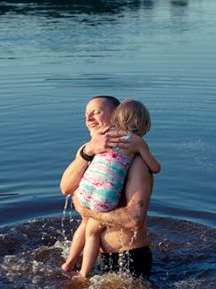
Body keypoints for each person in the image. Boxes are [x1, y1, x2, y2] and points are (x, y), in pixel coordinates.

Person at [60, 96, 158, 279]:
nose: (89, 119)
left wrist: (88, 212)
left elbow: (134, 219)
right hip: (98, 255)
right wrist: (87, 152)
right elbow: (65, 188)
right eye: (86, 114)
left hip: (128, 258)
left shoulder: (136, 161)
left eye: (96, 112)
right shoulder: (88, 153)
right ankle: (74, 265)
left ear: (116, 116)